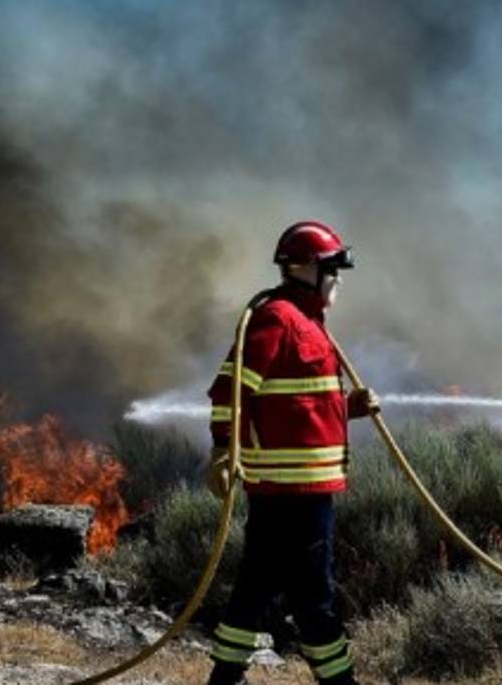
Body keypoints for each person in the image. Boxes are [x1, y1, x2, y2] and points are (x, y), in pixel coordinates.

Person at [203, 220, 379, 685]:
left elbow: (298, 406)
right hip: (291, 491)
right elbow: (231, 391)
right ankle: (339, 681)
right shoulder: (277, 320)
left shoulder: (310, 323)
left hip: (302, 488)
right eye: (332, 269)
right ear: (306, 269)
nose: (337, 280)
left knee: (257, 584)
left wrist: (348, 409)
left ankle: (225, 676)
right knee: (312, 594)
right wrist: (223, 450)